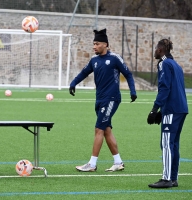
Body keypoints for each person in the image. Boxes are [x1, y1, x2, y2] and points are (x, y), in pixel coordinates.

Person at [69, 28, 137, 172]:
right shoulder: (94, 60)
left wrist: (133, 91)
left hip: (111, 99)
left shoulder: (114, 58)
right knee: (106, 130)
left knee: (99, 129)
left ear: (105, 44)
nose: (94, 46)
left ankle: (92, 164)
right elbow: (84, 72)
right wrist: (73, 83)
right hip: (100, 99)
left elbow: (128, 74)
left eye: (97, 44)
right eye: (93, 44)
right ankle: (118, 162)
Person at [147, 39, 188, 188]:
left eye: (156, 48)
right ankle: (173, 178)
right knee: (174, 144)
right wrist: (162, 112)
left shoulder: (164, 63)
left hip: (172, 109)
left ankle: (166, 179)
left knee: (166, 144)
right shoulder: (176, 65)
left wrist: (155, 109)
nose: (155, 51)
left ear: (161, 49)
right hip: (181, 108)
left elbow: (165, 88)